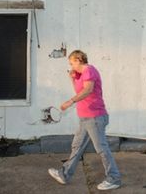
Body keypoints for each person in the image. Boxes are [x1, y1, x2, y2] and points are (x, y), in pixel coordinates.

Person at [48, 50, 122, 191]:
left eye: (72, 62)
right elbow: (79, 91)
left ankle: (114, 178)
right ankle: (64, 174)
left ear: (79, 60)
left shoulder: (89, 70)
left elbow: (88, 90)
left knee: (101, 148)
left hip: (94, 117)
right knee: (77, 146)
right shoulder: (81, 74)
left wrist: (70, 102)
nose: (71, 66)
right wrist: (73, 78)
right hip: (85, 118)